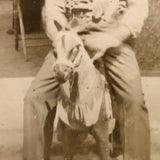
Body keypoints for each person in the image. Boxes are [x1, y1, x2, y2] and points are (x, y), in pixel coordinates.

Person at [23, 0, 150, 160]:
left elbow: (137, 8)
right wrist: (62, 36)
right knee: (35, 98)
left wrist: (114, 37)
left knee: (133, 99)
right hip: (71, 37)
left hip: (112, 36)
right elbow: (53, 9)